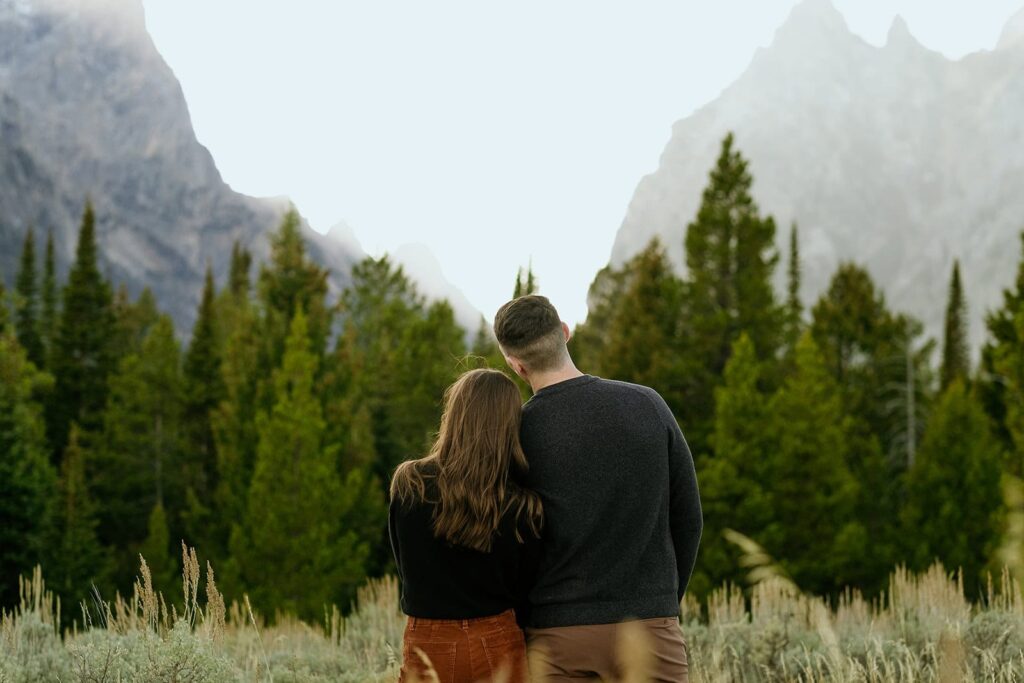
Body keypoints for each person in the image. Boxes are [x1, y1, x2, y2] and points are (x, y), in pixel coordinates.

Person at [493, 294, 703, 683]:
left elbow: (512, 540)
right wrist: (662, 604)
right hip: (650, 629)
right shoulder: (648, 405)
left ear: (515, 364)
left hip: (558, 638)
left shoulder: (517, 433)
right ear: (565, 334)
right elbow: (688, 517)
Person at [389, 368, 544, 683]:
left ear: (454, 415)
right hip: (497, 634)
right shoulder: (523, 506)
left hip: (429, 637)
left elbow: (405, 569)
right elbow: (527, 595)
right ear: (510, 426)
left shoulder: (410, 483)